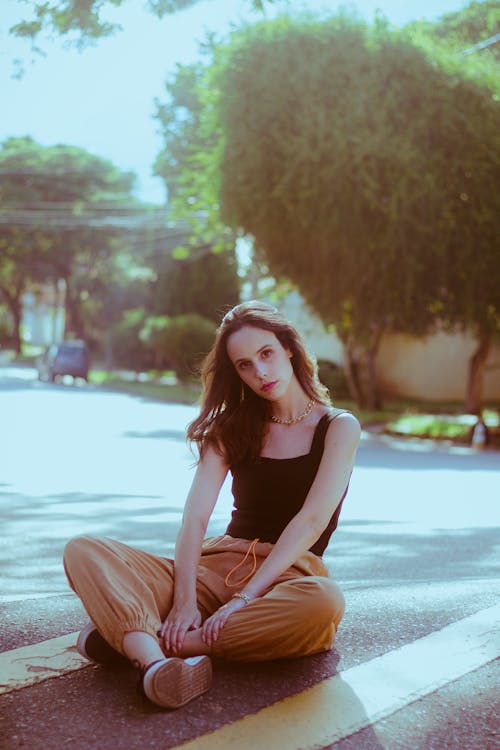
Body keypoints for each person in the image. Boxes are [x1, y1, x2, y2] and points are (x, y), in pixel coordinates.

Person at [64, 300, 360, 710]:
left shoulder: (339, 427)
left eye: (266, 354)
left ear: (288, 347)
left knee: (324, 602)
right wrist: (185, 598)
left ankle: (149, 641)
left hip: (286, 577)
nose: (260, 372)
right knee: (85, 549)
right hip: (216, 567)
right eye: (244, 364)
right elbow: (195, 518)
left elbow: (310, 522)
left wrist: (244, 600)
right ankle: (156, 668)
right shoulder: (231, 428)